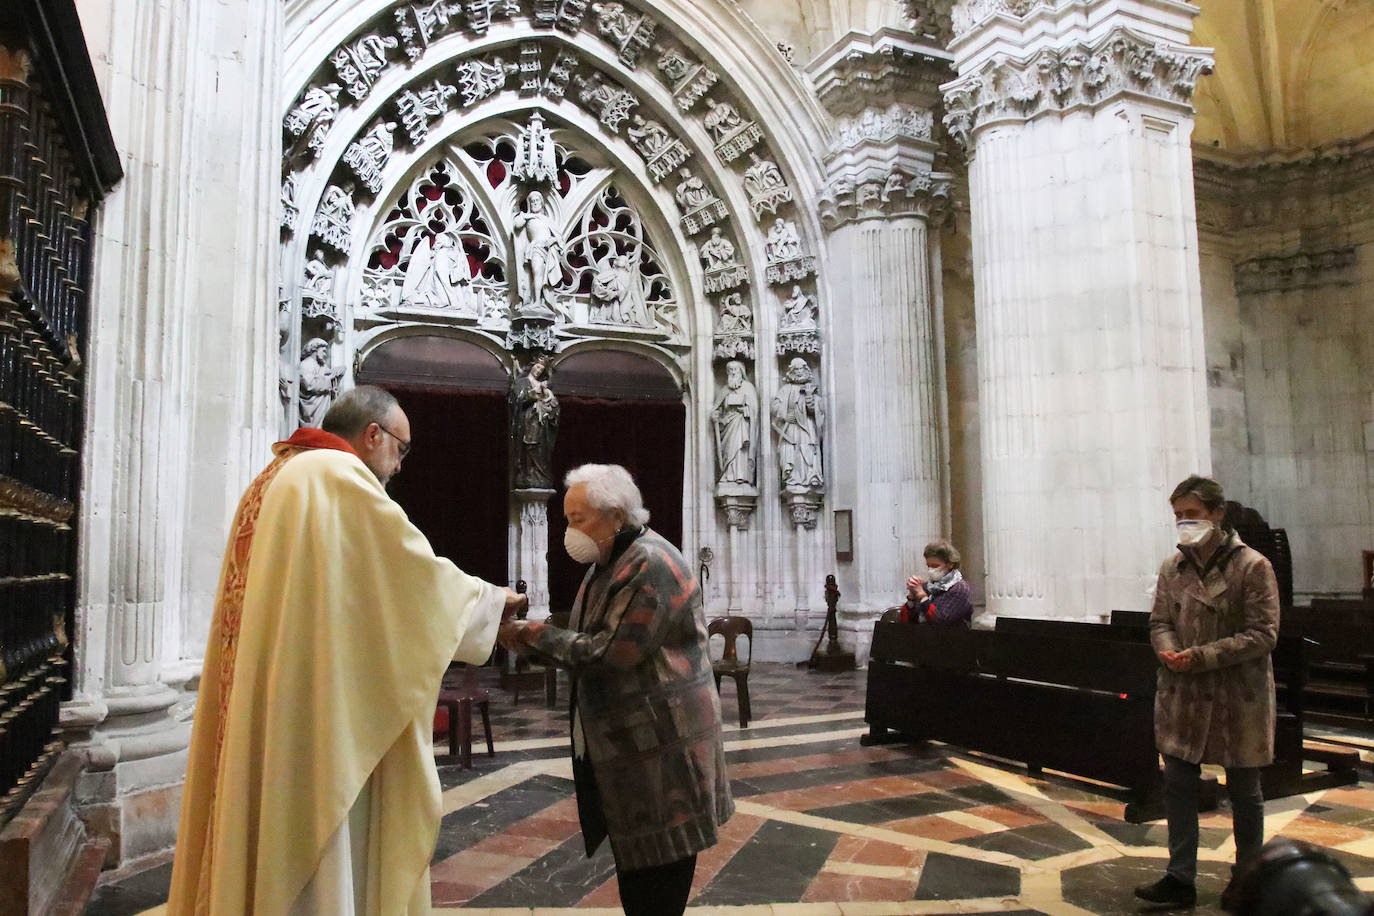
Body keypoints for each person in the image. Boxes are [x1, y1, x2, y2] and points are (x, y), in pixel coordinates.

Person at [167, 385, 527, 916]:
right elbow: (409, 575)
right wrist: (492, 607)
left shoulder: (276, 478)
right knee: (323, 850)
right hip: (313, 716)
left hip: (268, 694)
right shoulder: (338, 477)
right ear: (373, 435)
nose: (399, 466)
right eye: (401, 450)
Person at [498, 464, 734, 916]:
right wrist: (528, 637)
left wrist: (527, 635)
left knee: (655, 896)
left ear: (615, 515)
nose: (569, 531)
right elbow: (583, 639)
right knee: (639, 886)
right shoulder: (607, 562)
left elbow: (610, 654)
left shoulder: (651, 563)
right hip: (637, 757)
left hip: (667, 757)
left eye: (577, 519)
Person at [1134, 474, 1280, 911]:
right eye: (1178, 516)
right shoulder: (1172, 566)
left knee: (1244, 790)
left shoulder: (1253, 566)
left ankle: (1247, 877)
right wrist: (1168, 650)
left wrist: (1201, 656)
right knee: (1178, 783)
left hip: (1237, 692)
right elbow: (1159, 620)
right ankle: (1180, 877)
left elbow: (1263, 634)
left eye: (1192, 515)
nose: (1183, 523)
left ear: (1217, 514)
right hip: (1184, 691)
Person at [898, 540, 973, 626]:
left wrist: (922, 597)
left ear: (950, 564)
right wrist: (912, 596)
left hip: (951, 637)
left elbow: (941, 621)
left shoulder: (960, 589)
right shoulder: (925, 587)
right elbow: (905, 622)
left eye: (935, 566)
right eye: (928, 566)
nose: (931, 570)